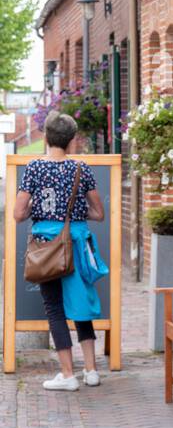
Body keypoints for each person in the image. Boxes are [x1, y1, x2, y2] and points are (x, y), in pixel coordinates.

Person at [11, 112, 107, 391]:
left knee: (54, 306)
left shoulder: (35, 168)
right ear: (71, 140)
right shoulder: (81, 169)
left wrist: (34, 210)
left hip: (46, 245)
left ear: (47, 136)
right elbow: (99, 213)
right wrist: (77, 212)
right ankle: (91, 371)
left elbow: (18, 214)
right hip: (76, 242)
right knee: (81, 305)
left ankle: (68, 375)